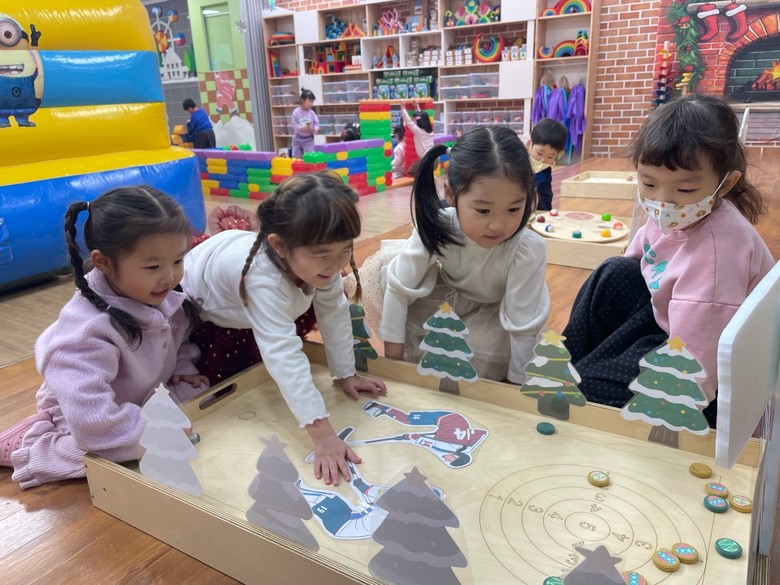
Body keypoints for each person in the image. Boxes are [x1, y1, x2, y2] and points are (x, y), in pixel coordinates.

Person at [562, 94, 774, 427]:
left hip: (705, 364)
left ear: (726, 184)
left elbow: (696, 361)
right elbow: (639, 258)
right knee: (613, 270)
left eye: (684, 190)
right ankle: (570, 364)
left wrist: (671, 409)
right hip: (671, 318)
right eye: (648, 183)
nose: (664, 202)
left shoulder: (716, 254)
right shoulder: (676, 212)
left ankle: (585, 379)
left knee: (589, 389)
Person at [182, 171, 387, 485]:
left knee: (316, 303)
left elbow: (334, 313)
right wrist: (322, 435)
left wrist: (346, 373)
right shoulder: (262, 280)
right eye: (322, 254)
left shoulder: (318, 265)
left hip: (236, 264)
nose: (335, 264)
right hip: (200, 299)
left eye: (345, 249)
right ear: (279, 245)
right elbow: (283, 355)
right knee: (230, 373)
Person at [0, 187, 208, 489]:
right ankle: (29, 444)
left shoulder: (156, 291)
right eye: (153, 266)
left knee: (198, 402)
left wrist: (183, 370)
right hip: (78, 413)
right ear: (103, 262)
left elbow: (179, 336)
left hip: (137, 397)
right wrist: (160, 434)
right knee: (101, 457)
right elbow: (92, 423)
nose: (170, 277)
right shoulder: (86, 331)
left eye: (178, 260)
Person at [347, 125, 550, 383]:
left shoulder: (526, 249)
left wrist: (515, 385)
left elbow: (522, 326)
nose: (498, 226)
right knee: (387, 271)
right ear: (451, 195)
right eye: (483, 211)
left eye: (513, 209)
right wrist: (395, 368)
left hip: (498, 310)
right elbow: (399, 290)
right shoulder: (438, 226)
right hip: (449, 295)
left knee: (476, 351)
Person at [527, 118, 567, 211]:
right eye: (539, 153)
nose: (543, 160)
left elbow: (545, 194)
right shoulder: (517, 162)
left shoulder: (545, 169)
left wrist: (545, 214)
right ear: (529, 144)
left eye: (550, 157)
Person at [400, 98, 434, 176]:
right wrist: (416, 106)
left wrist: (403, 107)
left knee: (412, 171)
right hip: (433, 158)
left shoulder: (419, 132)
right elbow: (420, 117)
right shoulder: (429, 131)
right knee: (423, 172)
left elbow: (408, 122)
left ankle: (422, 180)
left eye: (415, 120)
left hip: (426, 160)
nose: (414, 121)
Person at [291, 88, 319, 157]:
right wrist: (302, 128)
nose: (311, 104)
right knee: (296, 156)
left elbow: (316, 123)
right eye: (310, 101)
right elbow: (294, 125)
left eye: (312, 102)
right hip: (297, 138)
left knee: (311, 155)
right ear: (302, 100)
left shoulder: (312, 113)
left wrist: (316, 129)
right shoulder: (296, 112)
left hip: (308, 139)